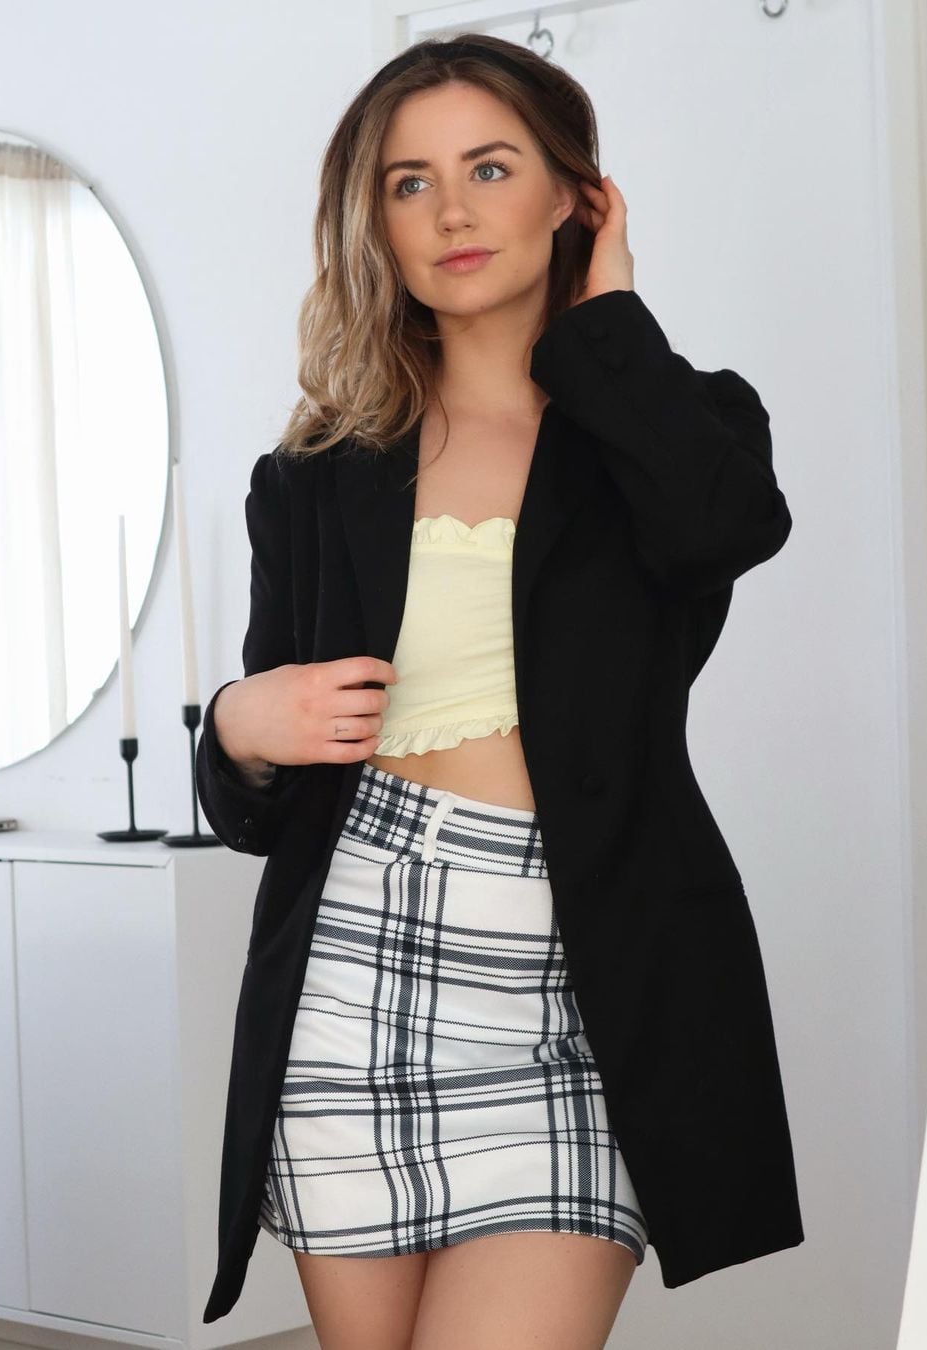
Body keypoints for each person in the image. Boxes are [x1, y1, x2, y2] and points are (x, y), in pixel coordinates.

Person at [200, 31, 801, 1349]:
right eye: (409, 183)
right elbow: (263, 792)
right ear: (376, 223)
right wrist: (240, 725)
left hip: (577, 993)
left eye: (489, 167)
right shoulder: (312, 475)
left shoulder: (676, 427)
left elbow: (725, 531)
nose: (452, 211)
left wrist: (609, 326)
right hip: (352, 981)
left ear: (575, 195)